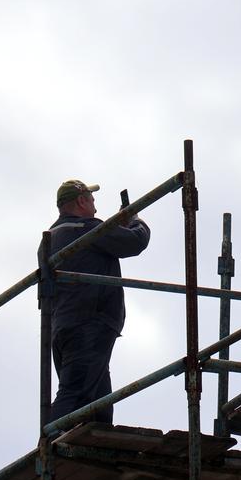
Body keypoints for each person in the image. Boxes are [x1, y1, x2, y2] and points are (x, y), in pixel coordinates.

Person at [43, 180, 150, 424]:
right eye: (91, 199)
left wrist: (114, 228)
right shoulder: (87, 229)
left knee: (98, 404)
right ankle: (49, 446)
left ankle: (94, 442)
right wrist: (135, 219)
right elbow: (135, 241)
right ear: (81, 201)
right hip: (89, 325)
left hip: (62, 328)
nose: (95, 205)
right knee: (74, 393)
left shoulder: (51, 238)